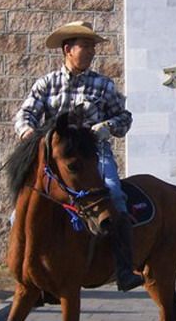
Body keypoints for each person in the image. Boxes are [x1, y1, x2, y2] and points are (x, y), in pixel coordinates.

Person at [13, 21, 144, 292]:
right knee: (19, 213)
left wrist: (108, 127)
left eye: (92, 47)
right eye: (84, 46)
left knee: (114, 195)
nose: (90, 51)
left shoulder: (103, 85)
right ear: (67, 49)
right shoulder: (46, 83)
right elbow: (25, 115)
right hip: (54, 160)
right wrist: (28, 134)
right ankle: (27, 271)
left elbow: (124, 117)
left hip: (94, 154)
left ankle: (123, 267)